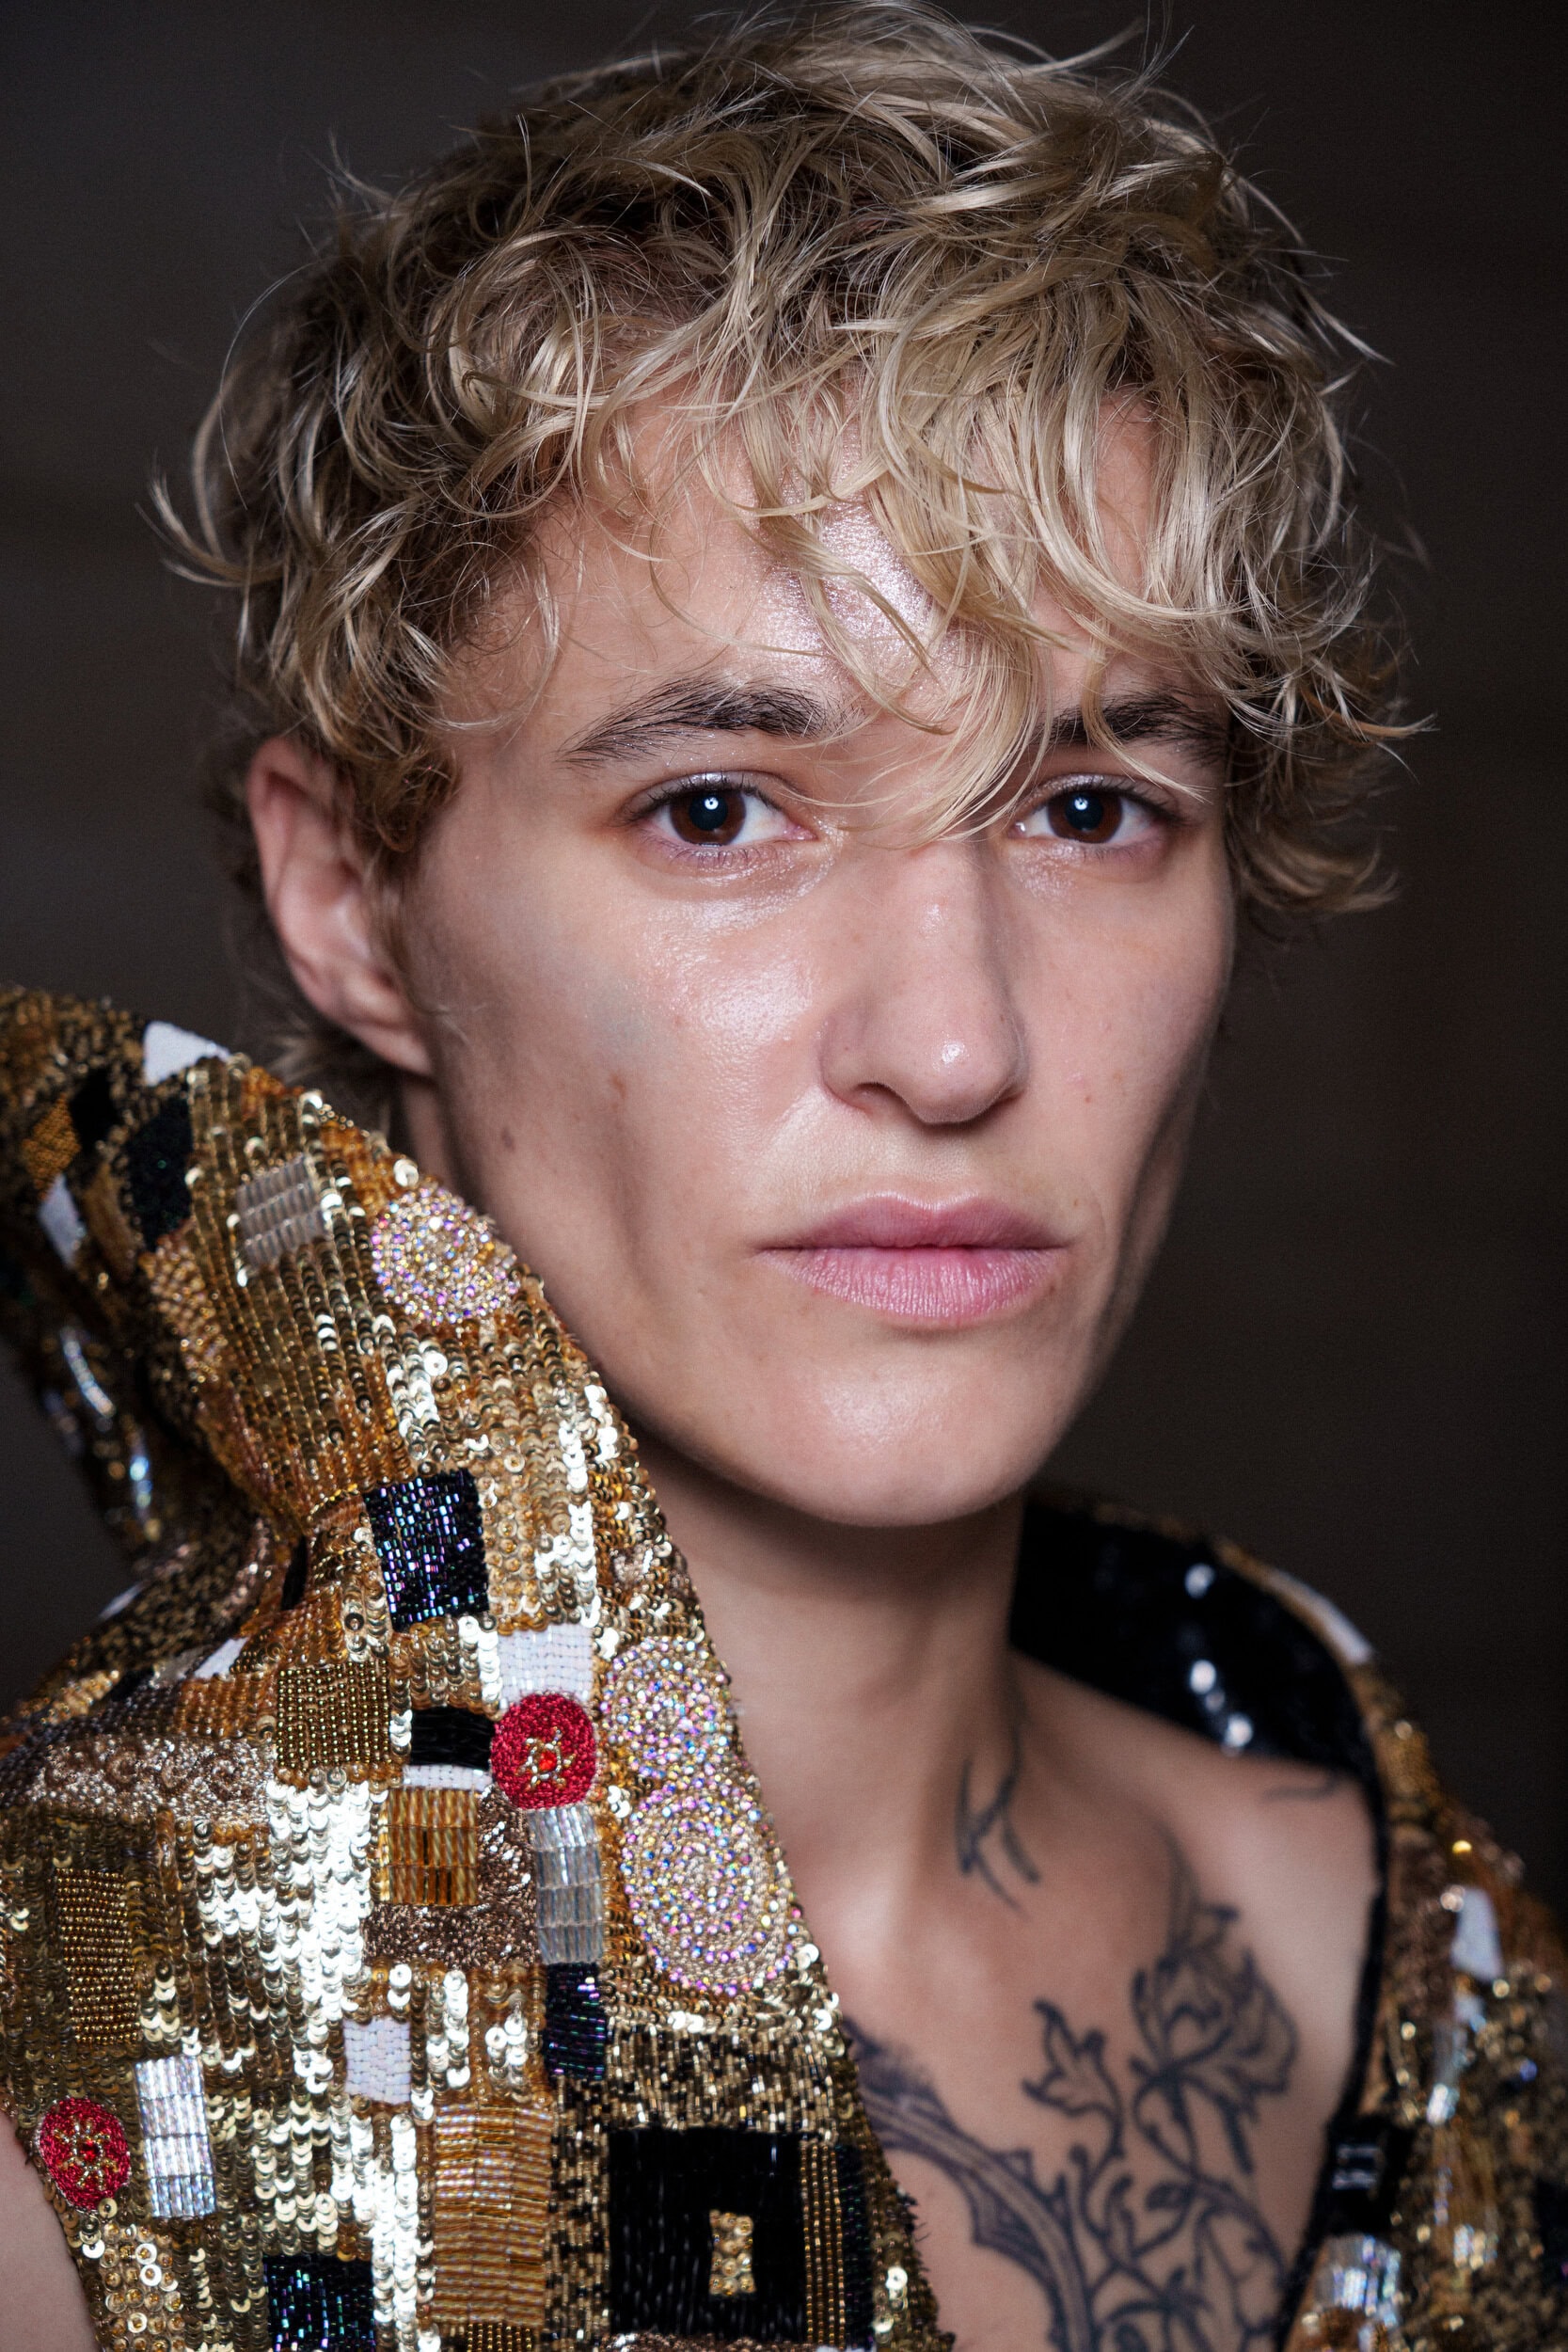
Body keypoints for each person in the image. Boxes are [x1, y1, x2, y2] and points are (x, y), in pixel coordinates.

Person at [1, 8, 1562, 2348]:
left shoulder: (1426, 1958)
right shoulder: (66, 2142)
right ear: (352, 899)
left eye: (1092, 807)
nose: (955, 1041)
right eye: (719, 806)